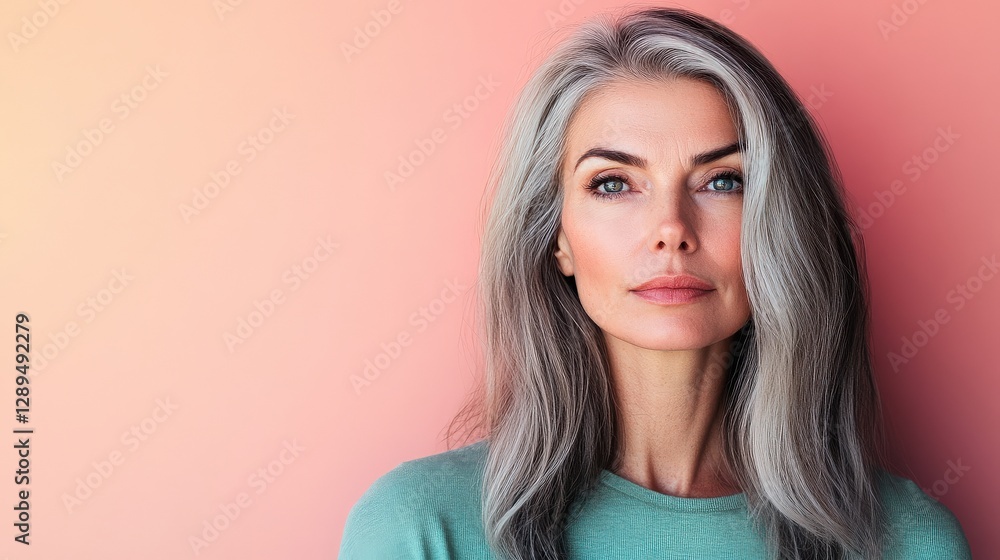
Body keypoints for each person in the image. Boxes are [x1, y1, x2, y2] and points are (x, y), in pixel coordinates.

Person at [339, 6, 973, 559]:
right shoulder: (421, 530)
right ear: (557, 237)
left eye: (723, 180)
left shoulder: (908, 542)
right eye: (614, 184)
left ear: (781, 225)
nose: (671, 228)